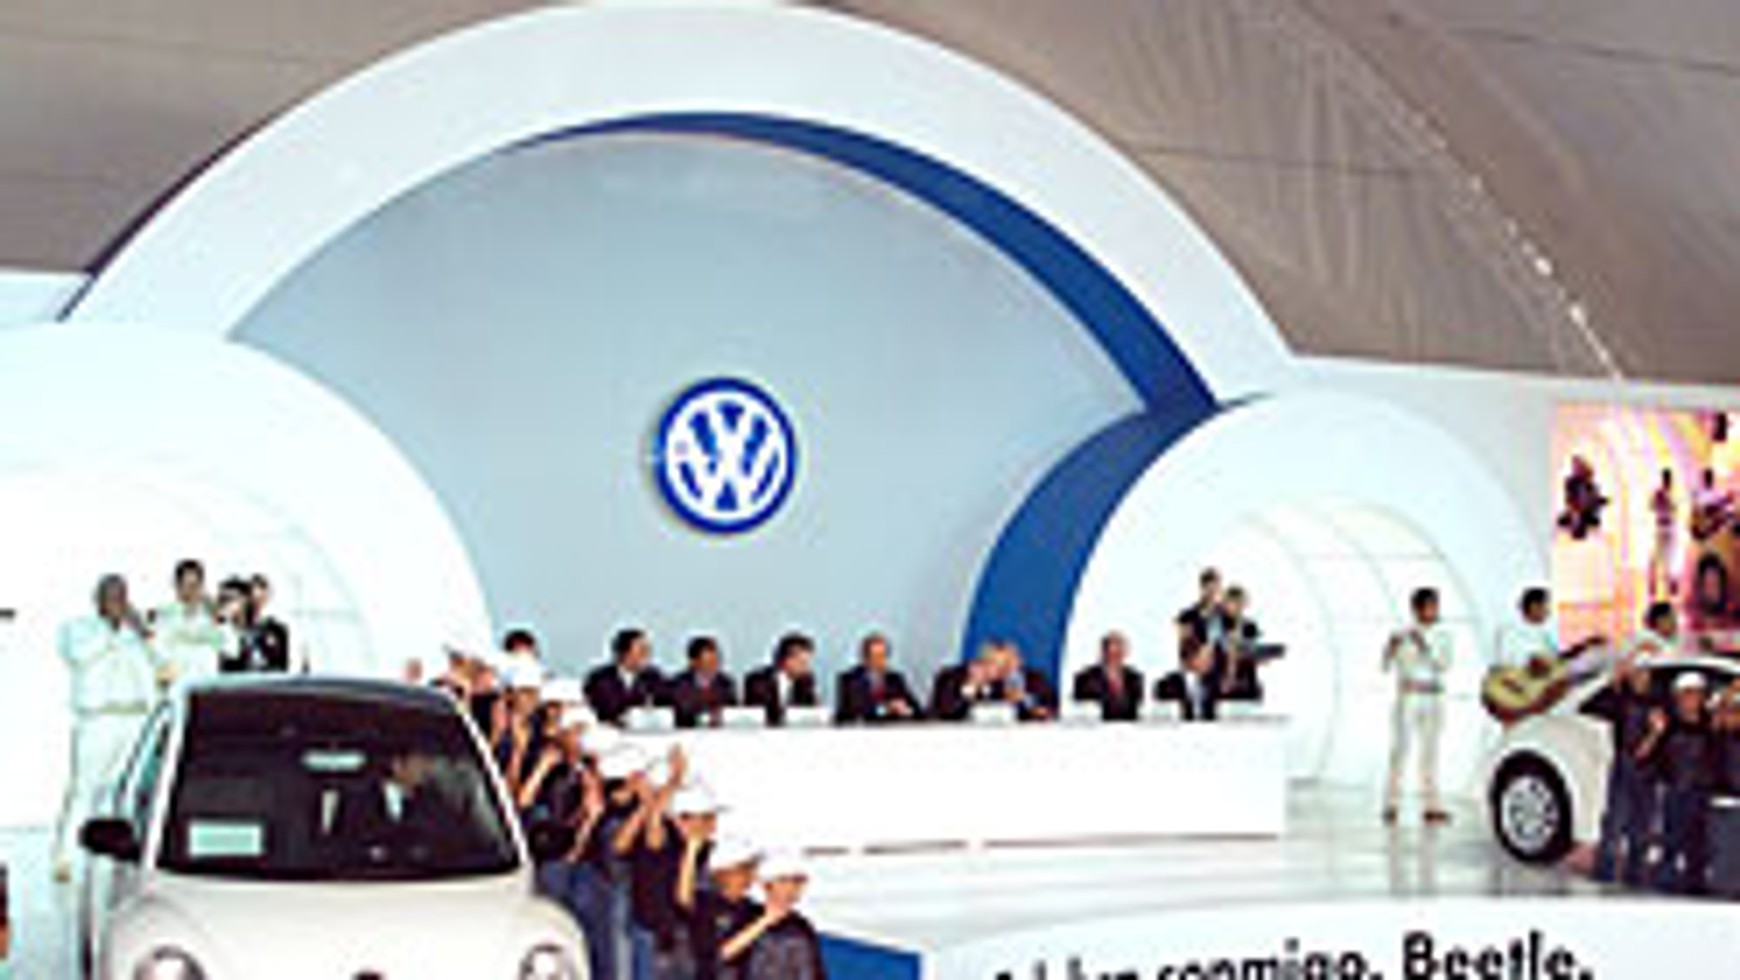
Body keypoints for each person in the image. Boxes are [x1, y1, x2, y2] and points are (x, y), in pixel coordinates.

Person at [54, 574, 157, 880]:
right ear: (98, 599)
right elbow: (81, 656)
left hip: (133, 716)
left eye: (122, 596)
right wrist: (114, 630)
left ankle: (116, 857)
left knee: (124, 790)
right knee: (84, 789)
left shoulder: (136, 632)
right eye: (111, 597)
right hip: (98, 719)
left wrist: (143, 632)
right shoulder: (78, 629)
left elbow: (160, 664)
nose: (117, 603)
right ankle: (65, 857)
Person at [1638, 671, 1717, 894]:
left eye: (1697, 694)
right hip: (1674, 791)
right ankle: (1665, 884)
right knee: (1670, 841)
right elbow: (1642, 756)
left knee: (1698, 845)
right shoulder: (1667, 724)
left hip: (1701, 793)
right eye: (1687, 694)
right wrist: (1655, 734)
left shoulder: (1709, 723)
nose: (1692, 699)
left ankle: (1696, 885)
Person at [1588, 648, 1660, 886]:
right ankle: (1604, 872)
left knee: (1642, 824)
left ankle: (1635, 875)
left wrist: (1655, 734)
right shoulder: (1620, 700)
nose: (1642, 678)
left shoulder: (1658, 702)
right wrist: (1614, 680)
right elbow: (1595, 705)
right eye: (1637, 673)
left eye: (1645, 673)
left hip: (1649, 771)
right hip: (1624, 765)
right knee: (1615, 821)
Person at [1382, 587, 1453, 825]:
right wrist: (1390, 649)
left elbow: (1444, 664)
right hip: (1409, 695)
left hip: (1433, 695)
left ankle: (1431, 806)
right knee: (1400, 750)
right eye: (1428, 606)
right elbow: (1386, 666)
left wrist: (1424, 645)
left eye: (1435, 606)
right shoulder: (1402, 632)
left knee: (1430, 752)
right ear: (1416, 609)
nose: (1433, 611)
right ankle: (1391, 803)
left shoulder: (1444, 634)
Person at [148, 559, 227, 694]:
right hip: (176, 688)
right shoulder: (164, 615)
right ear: (176, 586)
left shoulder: (213, 616)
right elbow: (157, 651)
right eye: (187, 585)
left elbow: (231, 648)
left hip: (208, 687)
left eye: (196, 585)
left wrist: (218, 617)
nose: (192, 591)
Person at [834, 632, 921, 724]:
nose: (881, 661)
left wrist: (907, 710)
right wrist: (886, 709)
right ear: (865, 658)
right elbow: (853, 711)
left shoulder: (895, 679)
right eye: (876, 656)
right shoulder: (849, 680)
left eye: (883, 656)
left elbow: (917, 710)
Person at [586, 628, 668, 725]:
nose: (646, 655)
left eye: (648, 650)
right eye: (641, 650)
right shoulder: (599, 679)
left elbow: (664, 704)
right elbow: (601, 710)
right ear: (624, 652)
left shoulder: (654, 677)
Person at [743, 633, 820, 726]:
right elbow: (755, 715)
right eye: (802, 663)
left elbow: (812, 712)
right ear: (787, 660)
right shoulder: (758, 681)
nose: (806, 668)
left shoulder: (806, 681)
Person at [1071, 631, 1144, 721]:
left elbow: (1138, 710)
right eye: (1112, 653)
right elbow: (1081, 712)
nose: (1115, 657)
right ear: (1103, 652)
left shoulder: (1135, 678)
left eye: (1119, 653)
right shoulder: (1086, 678)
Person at [669, 635, 738, 729]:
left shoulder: (726, 684)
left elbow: (731, 713)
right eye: (709, 662)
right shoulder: (678, 685)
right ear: (694, 662)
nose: (714, 666)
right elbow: (679, 714)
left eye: (715, 661)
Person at [1215, 586, 1265, 700]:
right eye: (1235, 603)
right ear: (1225, 604)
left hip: (1248, 683)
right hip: (1222, 683)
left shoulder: (1250, 626)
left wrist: (1261, 657)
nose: (1239, 607)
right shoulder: (1216, 625)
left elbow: (1254, 652)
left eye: (1242, 603)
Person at [1153, 636, 1219, 722]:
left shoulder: (1213, 683)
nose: (1211, 663)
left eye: (1212, 658)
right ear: (1191, 658)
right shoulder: (1166, 685)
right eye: (1207, 658)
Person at [929, 647, 1003, 722]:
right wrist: (971, 686)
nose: (1001, 671)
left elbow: (996, 711)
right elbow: (947, 710)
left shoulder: (996, 684)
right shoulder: (949, 677)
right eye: (997, 665)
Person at [989, 641, 1057, 721]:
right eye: (1002, 661)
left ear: (1020, 660)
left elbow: (1051, 706)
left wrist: (1026, 700)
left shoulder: (1036, 678)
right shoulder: (994, 684)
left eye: (1010, 659)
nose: (1007, 665)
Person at [1175, 568, 1226, 651]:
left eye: (1216, 589)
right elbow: (1184, 647)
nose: (1213, 594)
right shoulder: (1187, 616)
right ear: (1202, 588)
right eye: (1209, 590)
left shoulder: (1225, 613)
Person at [1650, 469, 1679, 598]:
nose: (1669, 482)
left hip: (1670, 527)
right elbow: (1652, 506)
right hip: (1662, 527)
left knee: (1670, 556)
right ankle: (1654, 583)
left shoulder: (1670, 493)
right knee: (1659, 555)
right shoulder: (1660, 493)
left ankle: (1670, 583)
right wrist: (1663, 507)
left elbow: (1674, 509)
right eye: (1667, 479)